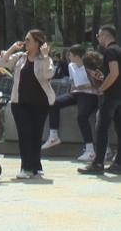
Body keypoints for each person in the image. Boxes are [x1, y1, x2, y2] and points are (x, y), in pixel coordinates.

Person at [0, 30, 55, 179]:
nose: (25, 42)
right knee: (25, 135)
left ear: (37, 43)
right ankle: (26, 168)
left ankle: (36, 166)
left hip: (40, 103)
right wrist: (12, 48)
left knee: (36, 135)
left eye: (29, 40)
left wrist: (46, 55)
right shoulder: (20, 57)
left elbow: (48, 74)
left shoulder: (45, 59)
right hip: (20, 103)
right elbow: (0, 63)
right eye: (25, 39)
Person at [42, 45, 99, 162]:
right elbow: (73, 83)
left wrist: (81, 87)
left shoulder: (89, 66)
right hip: (76, 93)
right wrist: (73, 91)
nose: (68, 57)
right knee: (54, 102)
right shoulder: (71, 66)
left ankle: (90, 150)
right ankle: (53, 135)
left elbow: (96, 84)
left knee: (82, 116)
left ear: (77, 57)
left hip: (89, 94)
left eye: (70, 55)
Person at [79, 26, 121, 175]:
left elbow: (114, 73)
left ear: (104, 36)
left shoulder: (110, 51)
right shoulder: (119, 50)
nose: (98, 39)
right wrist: (104, 79)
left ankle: (98, 163)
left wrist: (102, 88)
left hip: (110, 96)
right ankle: (118, 163)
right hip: (119, 96)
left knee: (102, 129)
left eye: (98, 36)